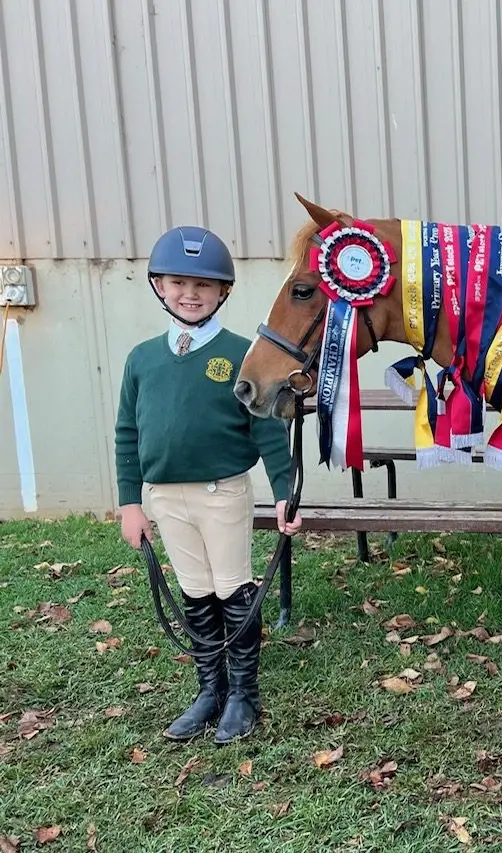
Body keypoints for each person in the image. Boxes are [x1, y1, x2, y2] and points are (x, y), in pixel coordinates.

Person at [114, 225, 303, 744]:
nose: (189, 294)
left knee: (232, 591)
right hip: (165, 497)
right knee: (195, 591)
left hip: (222, 494)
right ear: (159, 285)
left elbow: (266, 426)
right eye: (178, 282)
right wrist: (131, 502)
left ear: (223, 292)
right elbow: (127, 433)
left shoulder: (243, 353)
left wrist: (285, 490)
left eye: (203, 285)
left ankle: (244, 693)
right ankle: (208, 688)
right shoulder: (142, 359)